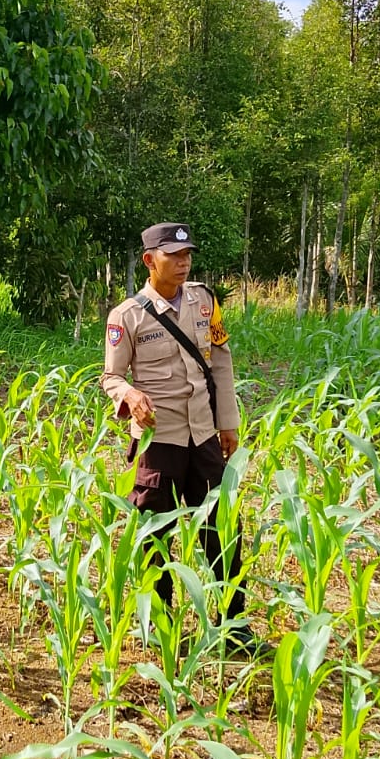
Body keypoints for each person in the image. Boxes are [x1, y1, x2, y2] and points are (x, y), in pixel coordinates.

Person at [101, 222, 257, 652]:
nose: (184, 262)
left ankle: (234, 626)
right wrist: (131, 395)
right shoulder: (126, 315)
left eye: (188, 255)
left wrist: (228, 423)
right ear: (150, 260)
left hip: (204, 434)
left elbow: (220, 363)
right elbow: (111, 377)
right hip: (160, 440)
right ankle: (160, 626)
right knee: (154, 533)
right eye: (174, 255)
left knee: (222, 529)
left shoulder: (205, 301)